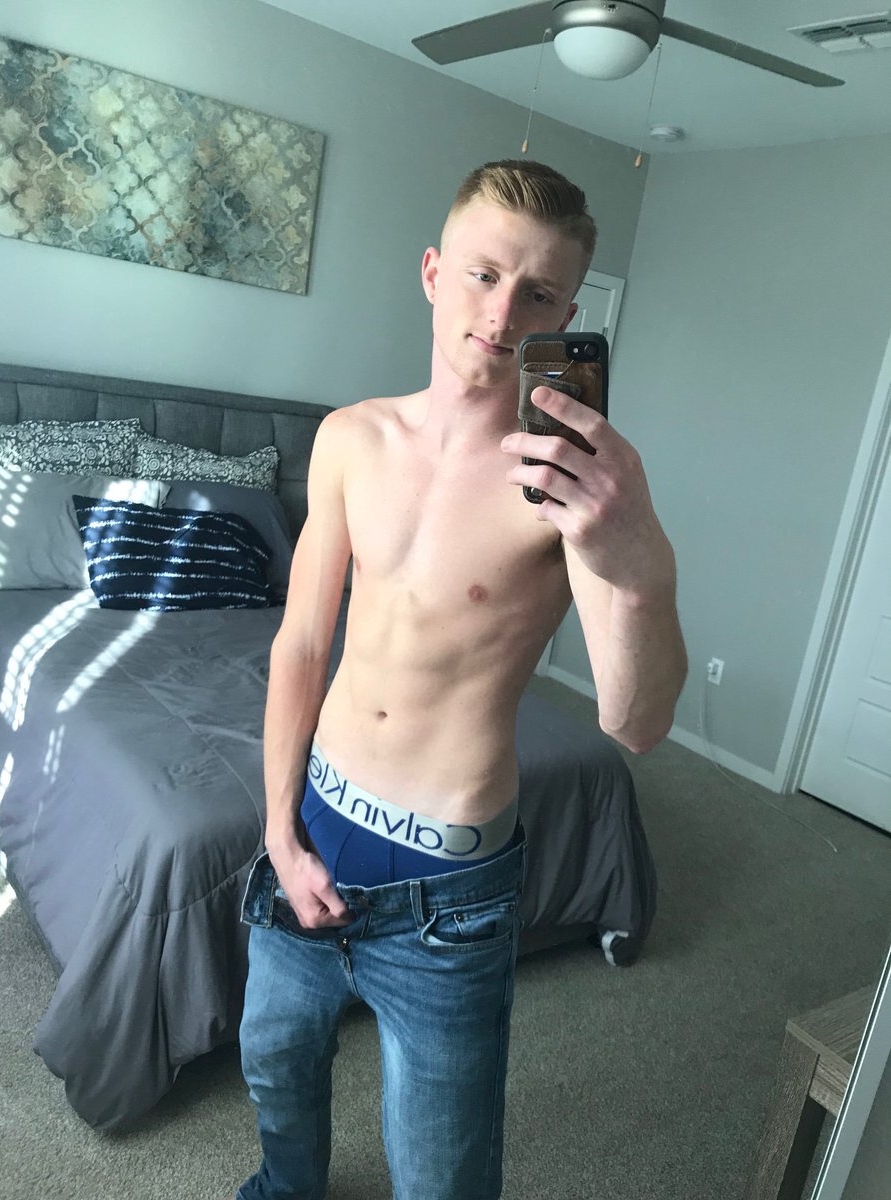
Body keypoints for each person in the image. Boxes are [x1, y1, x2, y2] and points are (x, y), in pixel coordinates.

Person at [231, 159, 687, 1200]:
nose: (502, 312)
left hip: (452, 895)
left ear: (567, 315)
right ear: (434, 272)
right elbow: (301, 644)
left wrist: (637, 560)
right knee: (276, 1077)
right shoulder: (350, 437)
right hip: (313, 829)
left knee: (444, 1174)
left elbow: (637, 722)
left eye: (538, 293)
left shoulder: (566, 489)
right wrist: (278, 831)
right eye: (484, 274)